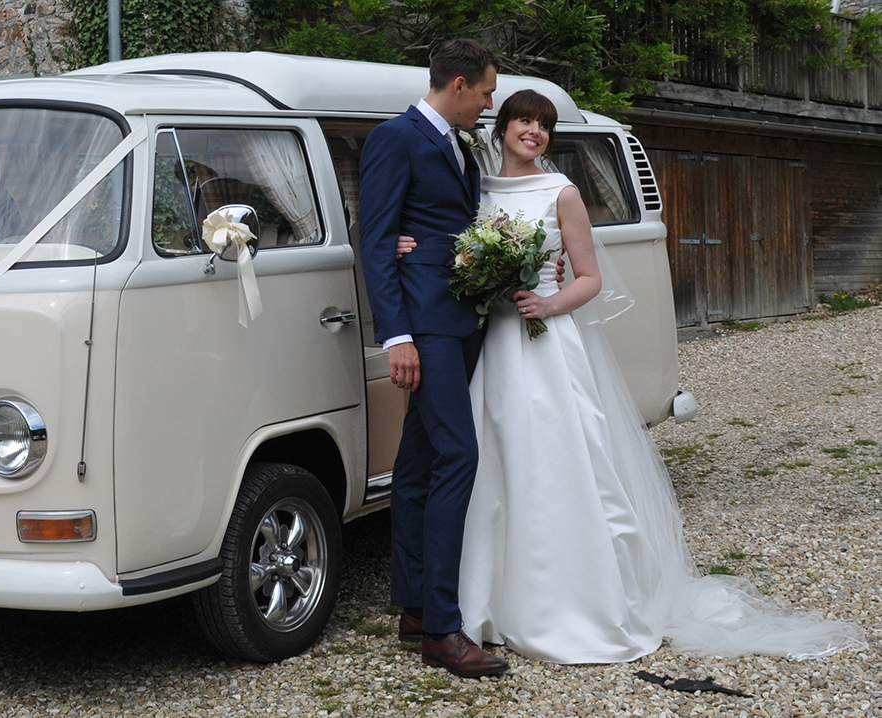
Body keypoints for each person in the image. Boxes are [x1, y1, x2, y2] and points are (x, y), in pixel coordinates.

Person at [399, 89, 864, 663]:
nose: (534, 133)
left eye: (544, 127)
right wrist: (412, 244)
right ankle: (479, 602)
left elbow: (589, 278)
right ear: (503, 128)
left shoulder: (562, 192)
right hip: (489, 342)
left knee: (556, 460)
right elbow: (452, 241)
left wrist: (549, 304)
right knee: (491, 463)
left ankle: (566, 599)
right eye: (524, 120)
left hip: (542, 341)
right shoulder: (479, 187)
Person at [358, 38, 509, 677]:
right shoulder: (396, 138)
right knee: (458, 454)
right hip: (426, 325)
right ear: (456, 83)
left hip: (460, 317)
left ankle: (415, 607)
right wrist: (397, 337)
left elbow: (442, 225)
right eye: (485, 92)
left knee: (417, 467)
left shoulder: (458, 141)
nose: (489, 102)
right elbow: (374, 239)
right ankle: (443, 631)